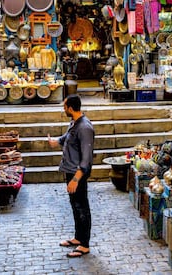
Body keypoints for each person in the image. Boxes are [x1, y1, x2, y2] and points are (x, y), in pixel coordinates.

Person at [48, 94, 95, 258]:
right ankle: (78, 237)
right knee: (75, 205)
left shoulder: (85, 127)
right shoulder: (75, 123)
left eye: (64, 106)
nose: (63, 108)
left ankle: (85, 245)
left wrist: (76, 178)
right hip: (70, 170)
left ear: (70, 108)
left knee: (82, 207)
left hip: (77, 173)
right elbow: (69, 137)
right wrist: (57, 141)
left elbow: (87, 157)